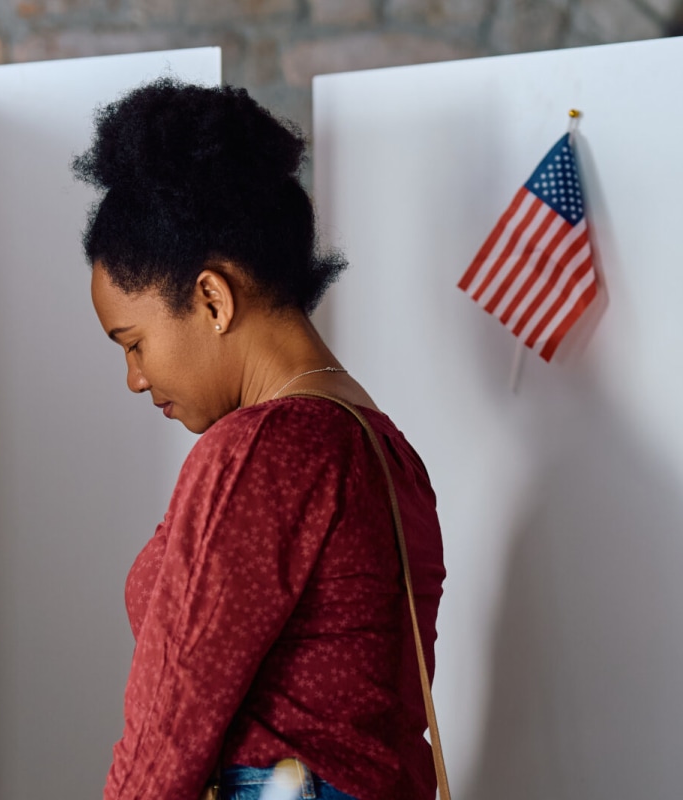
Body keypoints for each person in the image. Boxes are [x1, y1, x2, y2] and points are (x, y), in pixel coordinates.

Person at [76, 79, 448, 800]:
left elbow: (172, 713)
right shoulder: (381, 445)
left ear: (212, 299)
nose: (133, 376)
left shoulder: (263, 448)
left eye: (134, 342)